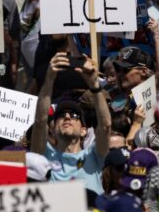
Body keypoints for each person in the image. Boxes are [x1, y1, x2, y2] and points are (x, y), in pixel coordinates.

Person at [30, 53, 111, 195]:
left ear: (84, 130)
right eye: (61, 116)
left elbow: (105, 126)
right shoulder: (44, 156)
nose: (67, 117)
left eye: (74, 116)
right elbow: (40, 121)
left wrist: (95, 86)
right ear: (52, 129)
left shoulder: (94, 155)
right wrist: (49, 79)